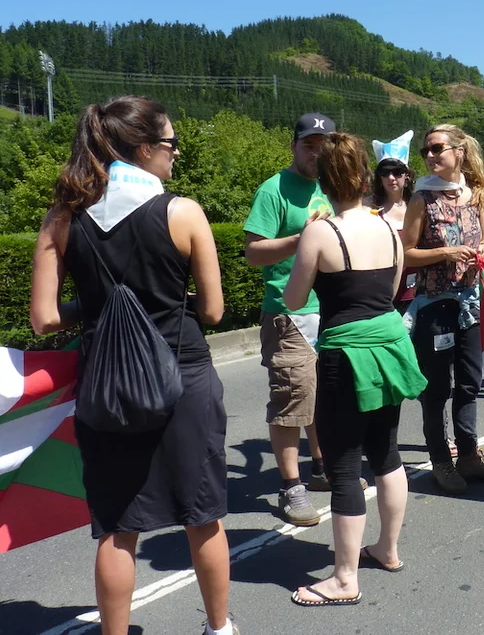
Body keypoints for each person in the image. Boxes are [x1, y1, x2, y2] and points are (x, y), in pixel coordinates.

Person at [29, 97, 235, 635]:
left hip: (106, 385)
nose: (175, 153)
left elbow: (44, 319)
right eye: (170, 143)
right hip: (182, 376)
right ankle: (219, 628)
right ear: (143, 149)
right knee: (202, 516)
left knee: (117, 528)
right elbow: (214, 311)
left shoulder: (63, 217)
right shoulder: (182, 211)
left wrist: (101, 306)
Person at [284, 132, 427, 607]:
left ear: (324, 181)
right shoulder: (387, 226)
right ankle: (387, 549)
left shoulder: (321, 231)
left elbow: (294, 299)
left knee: (344, 465)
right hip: (389, 344)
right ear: (366, 178)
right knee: (386, 452)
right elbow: (392, 288)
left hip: (345, 353)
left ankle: (344, 578)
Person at [245, 113, 366, 527]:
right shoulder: (273, 189)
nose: (316, 153)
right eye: (309, 145)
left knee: (323, 398)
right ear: (293, 146)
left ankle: (321, 467)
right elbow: (253, 252)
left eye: (323, 145)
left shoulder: (333, 189)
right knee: (292, 399)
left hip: (333, 310)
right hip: (289, 313)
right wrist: (303, 239)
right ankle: (290, 485)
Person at [402, 124, 484, 495]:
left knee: (468, 382)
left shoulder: (476, 194)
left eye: (437, 148)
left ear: (459, 151)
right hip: (435, 307)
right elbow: (405, 254)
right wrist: (445, 252)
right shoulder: (422, 198)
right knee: (437, 389)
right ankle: (440, 461)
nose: (430, 156)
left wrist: (483, 250)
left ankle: (468, 455)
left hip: (470, 304)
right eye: (426, 151)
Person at [368, 131, 417, 314]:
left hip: (414, 291)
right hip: (379, 291)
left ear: (407, 175)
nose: (391, 178)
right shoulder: (367, 207)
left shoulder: (417, 204)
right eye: (385, 172)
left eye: (397, 172)